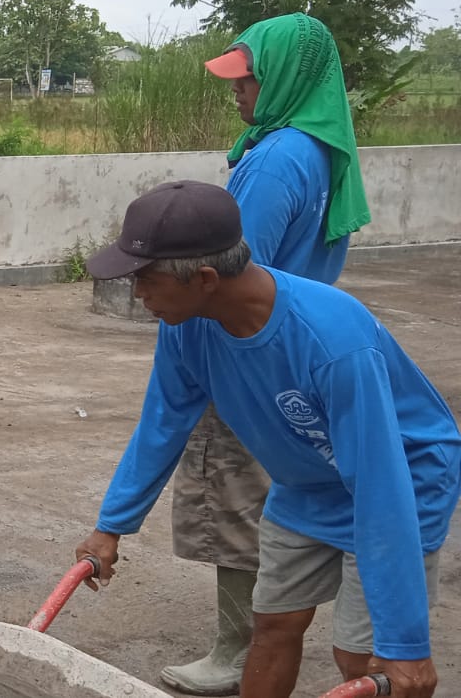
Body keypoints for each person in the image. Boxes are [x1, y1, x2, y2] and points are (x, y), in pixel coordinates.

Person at [74, 181, 457, 698]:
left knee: (366, 657)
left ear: (205, 278)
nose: (138, 294)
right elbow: (162, 424)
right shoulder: (187, 326)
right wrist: (111, 527)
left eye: (147, 279)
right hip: (306, 484)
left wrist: (405, 643)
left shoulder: (332, 343)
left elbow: (380, 484)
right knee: (273, 624)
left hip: (401, 482)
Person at [160, 12, 373, 696]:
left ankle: (237, 650)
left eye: (247, 78)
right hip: (291, 348)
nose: (237, 90)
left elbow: (224, 271)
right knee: (268, 496)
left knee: (233, 498)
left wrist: (194, 358)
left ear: (283, 79)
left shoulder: (277, 158)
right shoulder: (320, 147)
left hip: (246, 350)